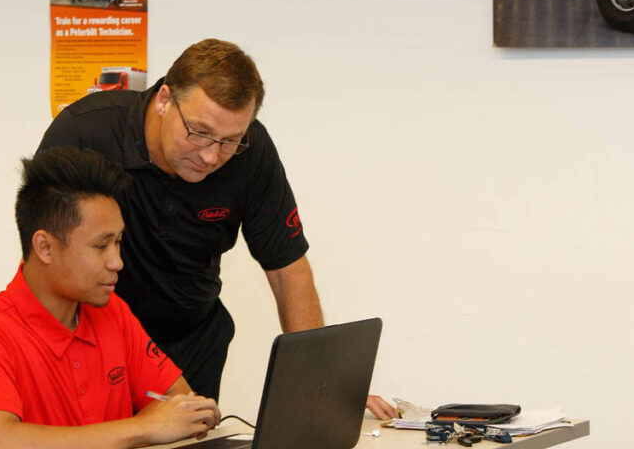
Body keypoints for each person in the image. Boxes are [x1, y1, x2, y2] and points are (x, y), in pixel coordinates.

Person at [38, 39, 395, 419]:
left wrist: (321, 386)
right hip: (94, 340)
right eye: (199, 132)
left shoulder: (252, 152)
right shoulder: (84, 135)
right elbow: (46, 261)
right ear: (163, 100)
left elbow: (287, 267)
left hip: (191, 339)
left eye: (229, 142)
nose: (210, 156)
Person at [0, 147, 221, 449]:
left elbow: (175, 399)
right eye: (101, 246)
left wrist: (166, 420)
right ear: (45, 247)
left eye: (119, 242)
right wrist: (141, 428)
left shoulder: (111, 312)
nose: (117, 261)